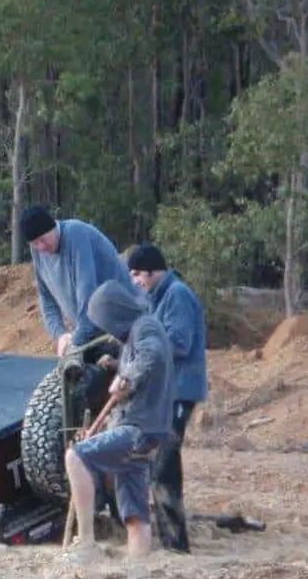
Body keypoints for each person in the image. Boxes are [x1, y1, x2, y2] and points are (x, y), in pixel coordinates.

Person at [65, 281, 174, 559]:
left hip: (139, 430)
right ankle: (139, 571)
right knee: (135, 517)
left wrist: (126, 377)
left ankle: (86, 542)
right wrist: (118, 369)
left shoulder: (145, 327)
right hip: (146, 432)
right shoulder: (134, 336)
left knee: (75, 457)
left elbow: (154, 355)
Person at [125, 243, 208, 553]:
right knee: (157, 464)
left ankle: (176, 543)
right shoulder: (156, 297)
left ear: (150, 270)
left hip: (180, 390)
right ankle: (166, 537)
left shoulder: (177, 295)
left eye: (136, 274)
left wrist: (141, 357)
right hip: (166, 391)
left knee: (164, 465)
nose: (135, 281)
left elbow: (180, 343)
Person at [19, 205, 140, 357]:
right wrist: (60, 335)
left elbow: (87, 296)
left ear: (53, 227)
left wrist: (75, 343)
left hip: (124, 329)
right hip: (93, 332)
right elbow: (46, 297)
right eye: (35, 243)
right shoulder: (38, 251)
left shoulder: (76, 235)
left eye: (43, 240)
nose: (41, 247)